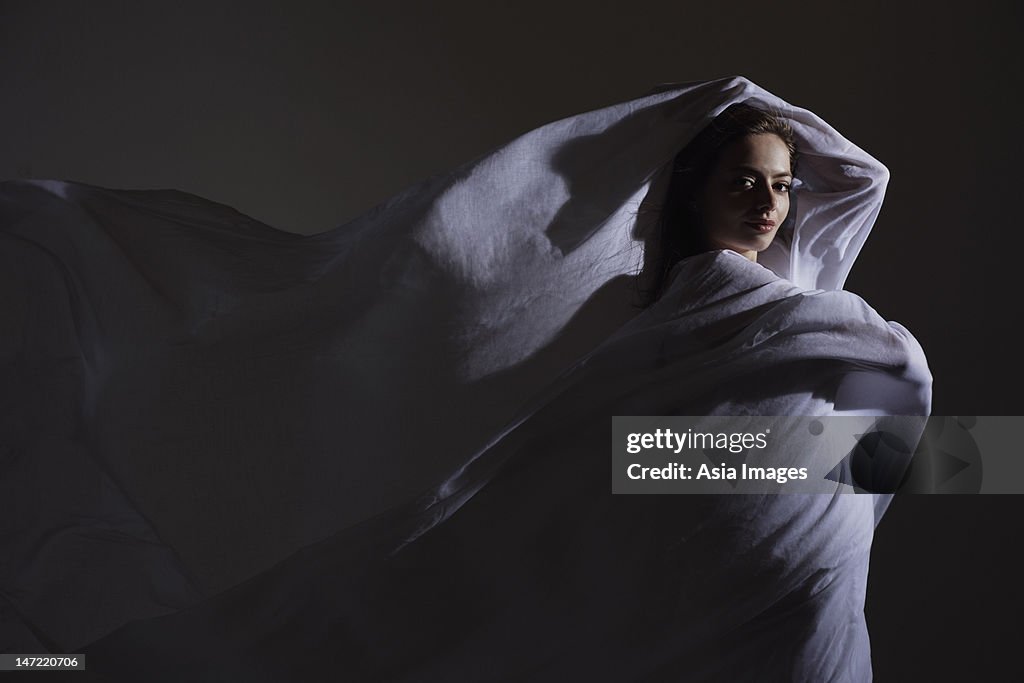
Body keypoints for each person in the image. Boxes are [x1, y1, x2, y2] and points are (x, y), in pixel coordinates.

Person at [2, 77, 930, 681]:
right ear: (691, 190)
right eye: (742, 178)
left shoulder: (835, 325)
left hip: (808, 601)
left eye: (781, 186)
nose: (767, 202)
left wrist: (726, 468)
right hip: (684, 612)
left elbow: (920, 459)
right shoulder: (646, 326)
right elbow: (590, 470)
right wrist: (728, 466)